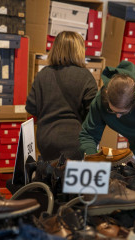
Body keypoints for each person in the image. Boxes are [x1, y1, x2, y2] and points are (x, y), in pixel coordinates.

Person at [26, 31, 98, 161]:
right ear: (80, 50)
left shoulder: (42, 75)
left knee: (51, 177)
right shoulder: (86, 77)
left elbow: (31, 108)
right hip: (76, 141)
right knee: (71, 180)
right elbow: (93, 114)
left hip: (46, 140)